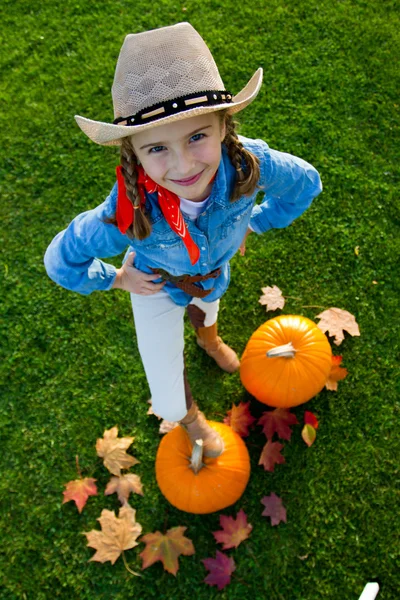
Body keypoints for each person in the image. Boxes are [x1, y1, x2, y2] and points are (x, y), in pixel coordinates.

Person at [44, 22, 323, 458]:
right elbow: (61, 260)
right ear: (132, 153)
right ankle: (191, 420)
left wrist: (257, 223)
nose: (184, 164)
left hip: (213, 275)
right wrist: (116, 279)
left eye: (197, 136)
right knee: (168, 393)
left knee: (208, 302)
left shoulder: (249, 165)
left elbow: (305, 183)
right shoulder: (124, 213)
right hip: (155, 284)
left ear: (224, 126)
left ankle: (208, 340)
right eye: (157, 149)